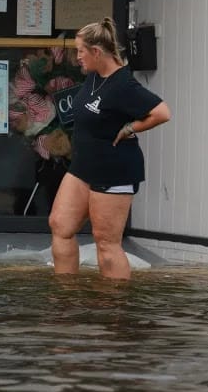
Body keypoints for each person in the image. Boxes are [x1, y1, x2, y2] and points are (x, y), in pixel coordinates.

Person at [49, 17, 171, 280]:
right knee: (60, 225)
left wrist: (130, 128)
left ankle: (114, 311)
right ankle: (65, 299)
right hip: (83, 167)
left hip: (114, 170)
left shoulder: (123, 85)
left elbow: (162, 113)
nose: (77, 56)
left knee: (106, 244)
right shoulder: (94, 77)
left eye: (81, 51)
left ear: (96, 52)